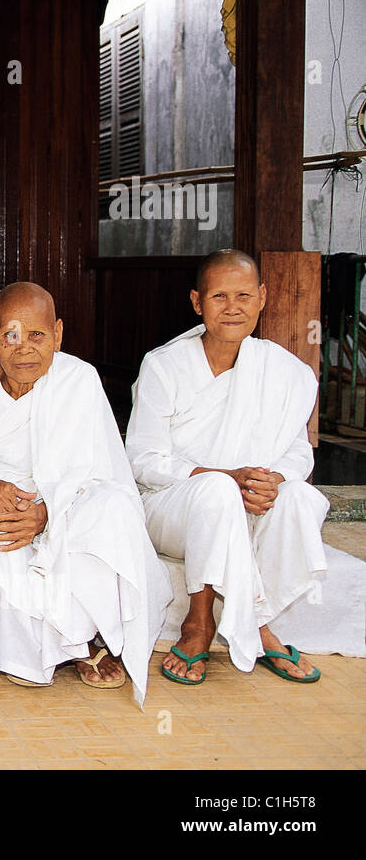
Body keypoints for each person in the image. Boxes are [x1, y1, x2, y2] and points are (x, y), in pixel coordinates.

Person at [0, 282, 170, 705]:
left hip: (64, 503)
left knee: (111, 509)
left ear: (57, 334)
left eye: (36, 335)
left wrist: (49, 513)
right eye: (10, 336)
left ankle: (78, 638)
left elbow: (105, 472)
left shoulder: (79, 380)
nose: (24, 348)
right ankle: (36, 652)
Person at [126, 249, 330, 685]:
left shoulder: (283, 371)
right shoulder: (165, 366)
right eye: (219, 296)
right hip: (171, 507)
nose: (233, 307)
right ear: (197, 302)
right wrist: (222, 478)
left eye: (243, 295)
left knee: (301, 497)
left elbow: (298, 452)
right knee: (216, 492)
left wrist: (274, 479)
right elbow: (143, 459)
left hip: (250, 502)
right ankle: (202, 624)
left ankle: (253, 621)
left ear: (262, 297)